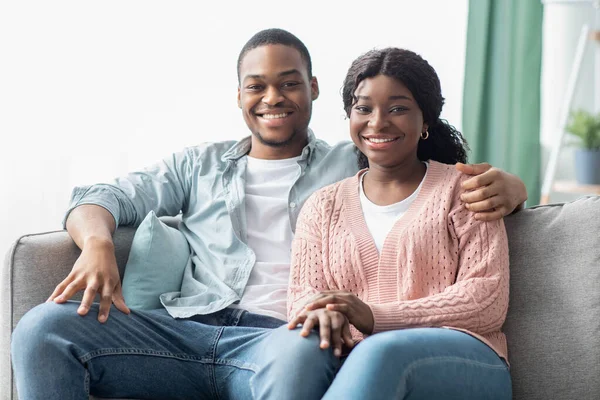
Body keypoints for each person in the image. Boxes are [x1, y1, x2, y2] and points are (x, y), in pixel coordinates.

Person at [11, 29, 522, 399]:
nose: (272, 97)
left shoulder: (356, 161)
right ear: (239, 95)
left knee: (305, 347)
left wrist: (515, 188)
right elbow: (101, 195)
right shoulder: (197, 166)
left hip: (282, 339)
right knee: (43, 329)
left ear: (316, 90)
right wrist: (98, 243)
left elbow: (423, 177)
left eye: (289, 83)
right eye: (256, 85)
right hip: (182, 328)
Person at [287, 47, 511, 399]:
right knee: (295, 353)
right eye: (363, 108)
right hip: (362, 366)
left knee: (379, 351)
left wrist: (374, 316)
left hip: (467, 362)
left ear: (426, 121)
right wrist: (323, 313)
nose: (378, 122)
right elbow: (303, 297)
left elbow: (486, 301)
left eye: (398, 108)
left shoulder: (464, 190)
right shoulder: (322, 206)